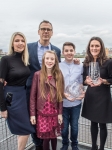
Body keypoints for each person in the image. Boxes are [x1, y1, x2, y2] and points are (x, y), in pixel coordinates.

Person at [26, 20, 61, 150]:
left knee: (50, 127)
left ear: (52, 32)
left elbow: (58, 70)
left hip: (51, 98)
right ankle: (37, 145)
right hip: (32, 91)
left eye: (48, 29)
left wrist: (74, 62)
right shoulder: (29, 47)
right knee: (34, 123)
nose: (45, 31)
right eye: (43, 29)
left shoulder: (56, 50)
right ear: (38, 31)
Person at [0, 32, 35, 150]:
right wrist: (3, 108)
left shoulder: (25, 59)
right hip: (12, 98)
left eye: (22, 40)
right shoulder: (6, 59)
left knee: (23, 129)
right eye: (17, 40)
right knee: (25, 129)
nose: (20, 43)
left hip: (23, 96)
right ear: (12, 43)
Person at [81, 37, 112, 150]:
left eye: (97, 46)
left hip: (103, 96)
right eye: (92, 46)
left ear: (101, 47)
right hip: (91, 95)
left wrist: (104, 81)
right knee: (93, 123)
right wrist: (86, 81)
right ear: (89, 47)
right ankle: (93, 147)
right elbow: (83, 80)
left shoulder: (108, 62)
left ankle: (101, 148)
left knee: (102, 124)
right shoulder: (86, 62)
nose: (94, 48)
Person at [30, 50, 64, 150]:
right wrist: (32, 114)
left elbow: (60, 96)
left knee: (53, 136)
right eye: (47, 58)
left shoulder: (58, 74)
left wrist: (60, 113)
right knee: (45, 138)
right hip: (42, 112)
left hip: (54, 111)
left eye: (52, 59)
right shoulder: (37, 75)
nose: (49, 61)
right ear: (44, 60)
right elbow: (32, 96)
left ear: (55, 61)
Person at [59, 42, 84, 150]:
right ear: (63, 52)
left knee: (74, 126)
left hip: (76, 102)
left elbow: (81, 82)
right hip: (63, 103)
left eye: (71, 50)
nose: (69, 52)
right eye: (67, 50)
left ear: (74, 52)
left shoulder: (80, 66)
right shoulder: (58, 66)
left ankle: (74, 144)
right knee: (64, 128)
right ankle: (65, 144)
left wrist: (82, 91)